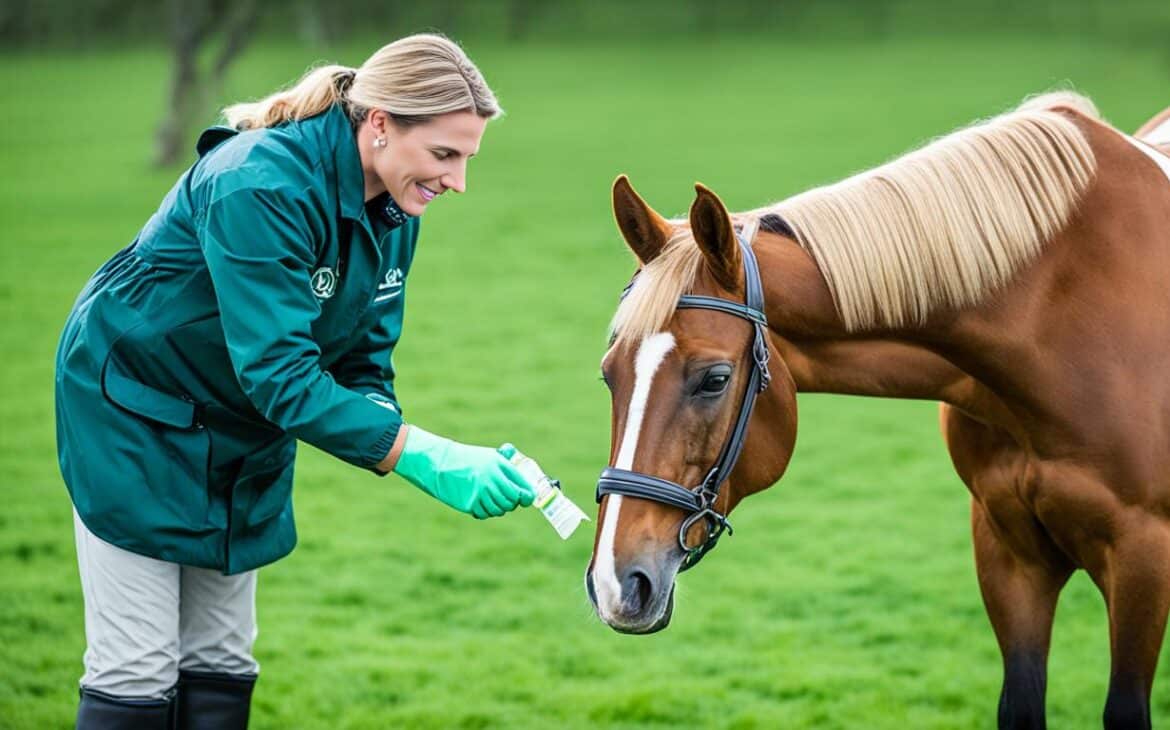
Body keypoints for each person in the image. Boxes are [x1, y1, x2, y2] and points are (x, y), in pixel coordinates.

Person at [54, 33, 536, 729]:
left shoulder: (399, 206)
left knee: (222, 658)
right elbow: (281, 376)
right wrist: (422, 454)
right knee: (137, 667)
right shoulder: (259, 184)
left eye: (466, 158)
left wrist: (388, 419)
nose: (457, 180)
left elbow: (363, 359)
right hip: (133, 414)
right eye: (444, 154)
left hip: (239, 422)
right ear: (379, 125)